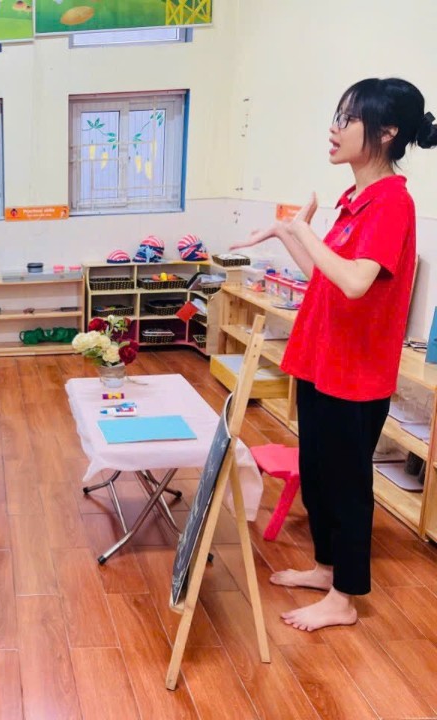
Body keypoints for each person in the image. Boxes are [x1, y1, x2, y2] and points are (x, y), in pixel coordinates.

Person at [230, 78, 437, 632]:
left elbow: (354, 281)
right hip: (322, 362)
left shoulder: (391, 202)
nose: (335, 127)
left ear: (387, 132)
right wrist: (288, 234)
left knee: (346, 485)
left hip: (356, 373)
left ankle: (345, 598)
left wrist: (305, 231)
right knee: (318, 474)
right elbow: (322, 278)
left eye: (348, 118)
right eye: (337, 116)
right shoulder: (354, 200)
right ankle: (326, 569)